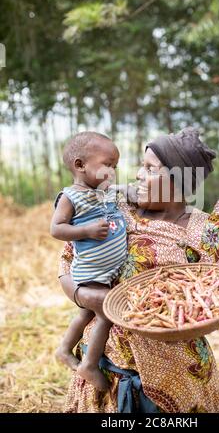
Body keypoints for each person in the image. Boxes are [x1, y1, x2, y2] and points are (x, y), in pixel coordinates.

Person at [58, 127, 219, 413]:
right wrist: (85, 297)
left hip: (176, 373)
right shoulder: (110, 206)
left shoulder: (204, 231)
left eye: (150, 169)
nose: (138, 175)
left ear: (179, 182)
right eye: (141, 165)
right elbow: (67, 260)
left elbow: (218, 296)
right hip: (104, 366)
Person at [51, 132, 127, 392]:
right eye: (107, 164)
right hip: (90, 271)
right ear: (80, 165)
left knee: (85, 313)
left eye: (115, 167)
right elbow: (57, 229)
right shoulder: (70, 197)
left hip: (106, 271)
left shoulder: (102, 192)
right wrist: (86, 231)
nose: (112, 172)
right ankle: (89, 365)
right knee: (107, 312)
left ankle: (63, 349)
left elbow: (118, 195)